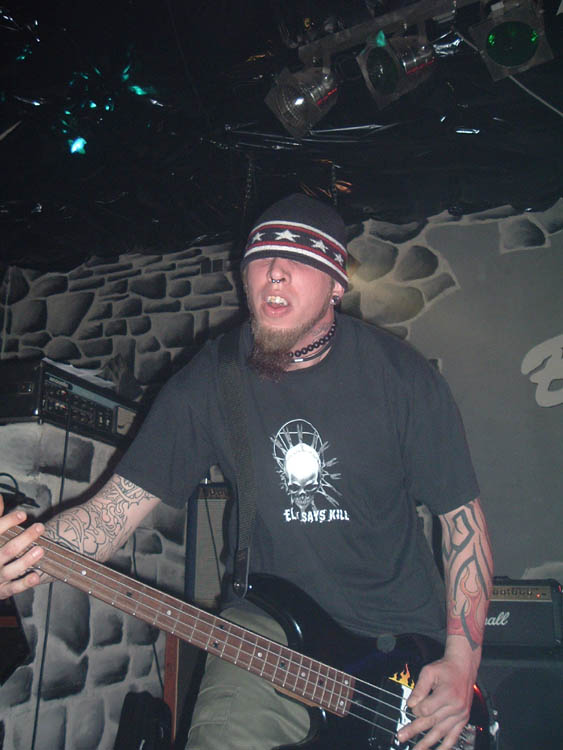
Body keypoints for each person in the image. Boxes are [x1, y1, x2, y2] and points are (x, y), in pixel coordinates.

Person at [0, 193, 493, 750]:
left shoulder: (401, 377)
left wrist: (462, 660)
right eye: (261, 256)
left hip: (402, 646)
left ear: (337, 284)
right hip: (269, 628)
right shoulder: (211, 381)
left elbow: (464, 525)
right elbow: (111, 513)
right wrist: (24, 553)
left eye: (301, 256)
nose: (276, 270)